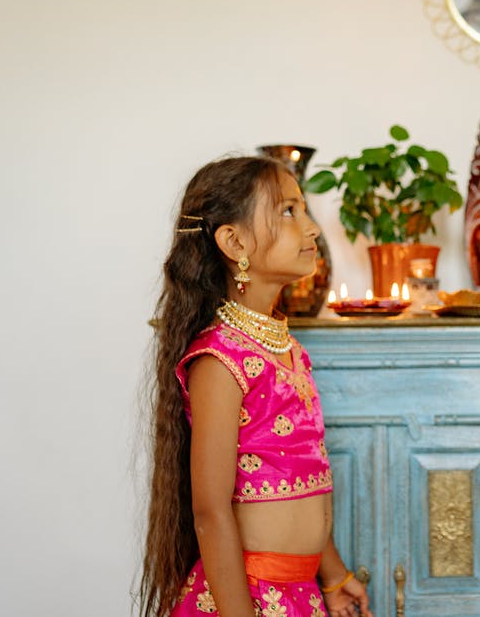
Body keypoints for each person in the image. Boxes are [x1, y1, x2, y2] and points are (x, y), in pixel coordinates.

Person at [139, 156, 372, 617]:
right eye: (288, 211)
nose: (312, 228)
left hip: (301, 594)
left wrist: (333, 575)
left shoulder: (291, 351)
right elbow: (211, 513)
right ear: (234, 241)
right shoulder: (220, 360)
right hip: (247, 601)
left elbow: (303, 476)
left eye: (304, 211)